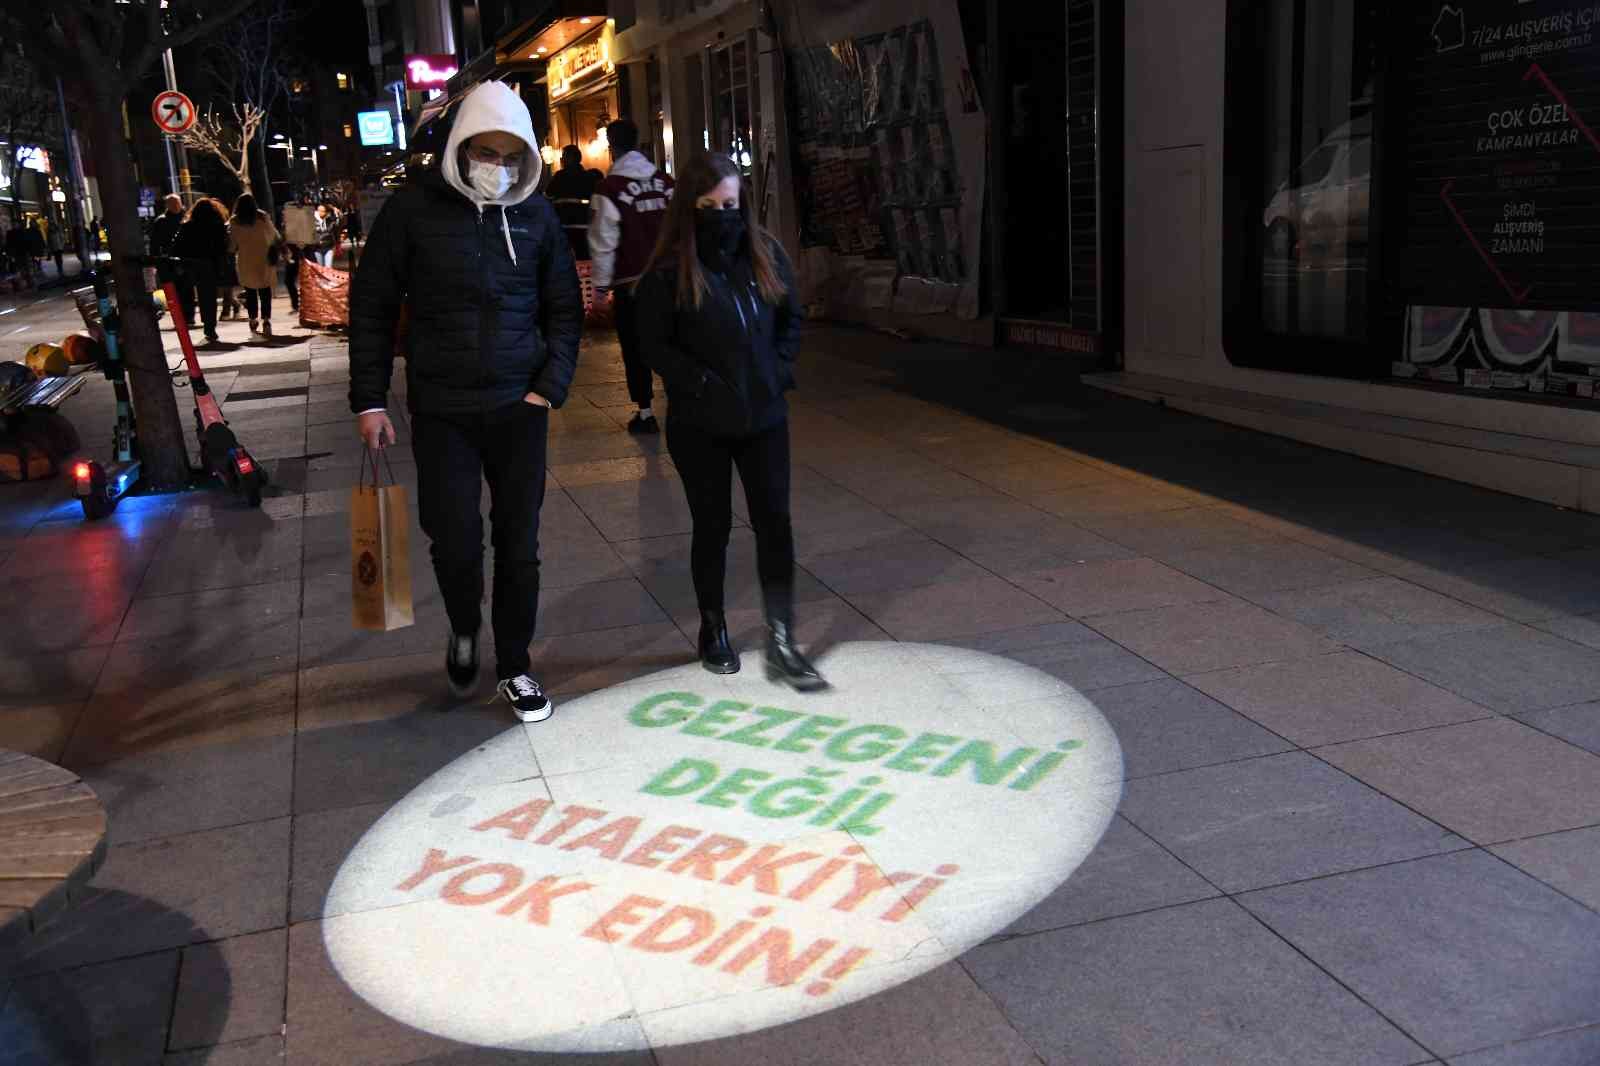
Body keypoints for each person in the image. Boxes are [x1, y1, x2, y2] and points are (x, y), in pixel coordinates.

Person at [349, 79, 583, 723]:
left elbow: (565, 306)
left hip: (519, 406)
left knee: (519, 542)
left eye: (512, 155)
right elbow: (371, 305)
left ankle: (514, 666)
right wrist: (369, 399)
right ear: (460, 146)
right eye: (488, 151)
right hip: (442, 405)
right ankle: (461, 627)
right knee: (452, 537)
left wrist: (549, 386)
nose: (499, 167)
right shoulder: (413, 210)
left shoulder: (535, 214)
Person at [633, 151, 825, 691]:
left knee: (774, 523)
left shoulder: (766, 255)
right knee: (712, 526)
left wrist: (777, 370)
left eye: (732, 204)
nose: (724, 214)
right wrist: (699, 384)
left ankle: (783, 635)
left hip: (764, 416)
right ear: (690, 207)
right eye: (711, 205)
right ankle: (712, 625)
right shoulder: (670, 271)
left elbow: (790, 318)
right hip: (700, 424)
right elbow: (654, 343)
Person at [589, 118, 673, 434]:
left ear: (612, 147)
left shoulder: (608, 189)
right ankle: (683, 398)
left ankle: (646, 411)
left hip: (632, 285)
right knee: (672, 339)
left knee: (635, 348)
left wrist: (599, 290)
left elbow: (603, 243)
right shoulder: (667, 183)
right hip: (671, 280)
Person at [173, 198, 229, 343]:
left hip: (190, 263)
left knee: (191, 293)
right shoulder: (217, 225)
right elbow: (223, 246)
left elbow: (177, 246)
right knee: (209, 296)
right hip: (209, 263)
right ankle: (210, 327)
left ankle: (193, 320)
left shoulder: (187, 226)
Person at [228, 193, 282, 338]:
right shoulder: (262, 217)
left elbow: (232, 245)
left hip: (246, 260)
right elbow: (273, 235)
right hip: (264, 259)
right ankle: (266, 320)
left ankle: (252, 319)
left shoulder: (234, 221)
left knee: (250, 292)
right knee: (265, 292)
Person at [546, 145, 600, 260]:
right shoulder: (589, 177)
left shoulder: (559, 176)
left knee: (564, 260)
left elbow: (548, 195)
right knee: (584, 259)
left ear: (572, 158)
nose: (562, 160)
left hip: (564, 228)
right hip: (585, 228)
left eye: (564, 156)